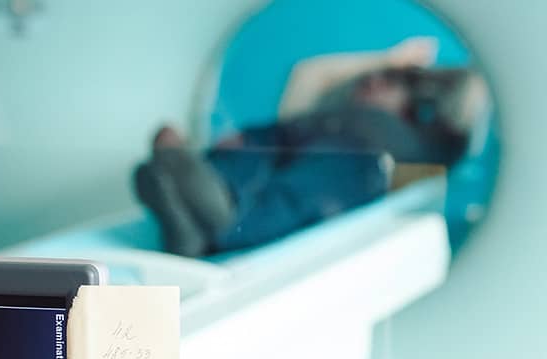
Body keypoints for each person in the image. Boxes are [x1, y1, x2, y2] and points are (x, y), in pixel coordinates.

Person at [134, 37, 489, 256]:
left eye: (389, 82)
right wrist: (387, 60)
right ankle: (194, 216)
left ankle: (198, 205)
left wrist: (402, 67)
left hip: (336, 175)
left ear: (416, 109)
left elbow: (467, 103)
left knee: (335, 175)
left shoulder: (410, 146)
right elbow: (308, 73)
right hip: (255, 171)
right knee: (250, 155)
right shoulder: (322, 116)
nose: (372, 82)